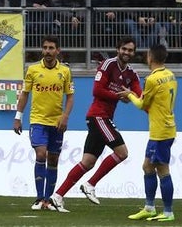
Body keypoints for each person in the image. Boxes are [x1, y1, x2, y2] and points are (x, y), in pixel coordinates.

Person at [50, 37, 141, 211]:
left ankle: (58, 196)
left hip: (103, 118)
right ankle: (91, 184)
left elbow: (139, 96)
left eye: (130, 50)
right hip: (98, 116)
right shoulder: (108, 65)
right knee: (122, 153)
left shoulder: (132, 75)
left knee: (88, 162)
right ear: (118, 49)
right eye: (124, 49)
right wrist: (121, 96)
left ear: (134, 53)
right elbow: (97, 90)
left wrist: (132, 95)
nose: (127, 53)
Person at [13, 36, 74, 210]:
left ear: (57, 51)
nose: (48, 51)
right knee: (41, 154)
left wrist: (65, 116)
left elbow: (70, 97)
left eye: (51, 48)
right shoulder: (32, 70)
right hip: (38, 120)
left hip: (56, 123)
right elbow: (25, 94)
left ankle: (49, 200)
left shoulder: (65, 71)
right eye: (45, 48)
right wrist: (18, 117)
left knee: (53, 158)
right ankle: (39, 198)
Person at [126, 44, 178, 223]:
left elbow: (142, 105)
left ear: (150, 57)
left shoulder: (152, 79)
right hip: (166, 128)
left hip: (160, 132)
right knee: (147, 167)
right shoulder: (170, 75)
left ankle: (168, 212)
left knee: (162, 169)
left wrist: (130, 94)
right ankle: (149, 208)